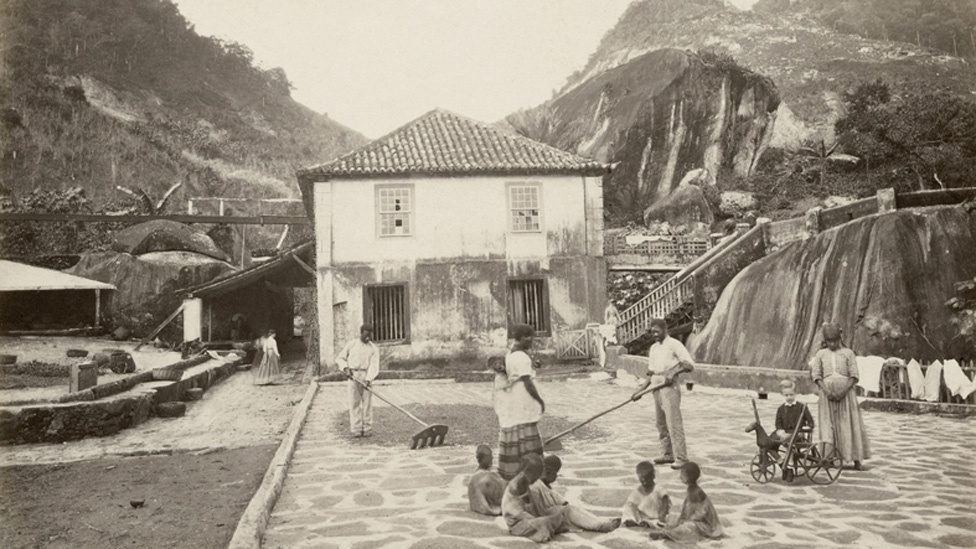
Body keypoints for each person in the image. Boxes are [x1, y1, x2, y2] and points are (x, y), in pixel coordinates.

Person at [631, 318, 695, 469]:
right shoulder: (653, 348)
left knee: (673, 423)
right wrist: (640, 391)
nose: (655, 335)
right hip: (656, 387)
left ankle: (681, 457)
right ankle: (668, 454)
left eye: (657, 332)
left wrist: (673, 372)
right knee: (661, 424)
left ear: (665, 330)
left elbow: (689, 364)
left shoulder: (674, 344)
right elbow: (651, 373)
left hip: (669, 387)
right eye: (652, 332)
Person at [809, 323, 871, 470]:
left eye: (834, 341)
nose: (832, 344)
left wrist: (843, 391)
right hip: (827, 395)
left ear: (839, 338)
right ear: (825, 341)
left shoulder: (848, 353)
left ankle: (855, 459)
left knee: (849, 423)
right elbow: (816, 376)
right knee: (828, 425)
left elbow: (854, 376)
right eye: (829, 341)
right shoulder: (820, 354)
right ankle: (829, 458)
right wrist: (827, 391)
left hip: (846, 394)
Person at [494, 324, 546, 481]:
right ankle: (531, 472)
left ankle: (512, 471)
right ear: (525, 338)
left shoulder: (510, 353)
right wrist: (539, 400)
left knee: (515, 429)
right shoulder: (522, 357)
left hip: (513, 398)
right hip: (523, 397)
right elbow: (527, 382)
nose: (533, 341)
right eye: (532, 338)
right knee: (526, 428)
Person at [528, 456, 620, 533]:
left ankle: (602, 522)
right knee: (569, 511)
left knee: (571, 508)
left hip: (549, 514)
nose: (555, 476)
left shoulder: (543, 484)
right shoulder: (535, 485)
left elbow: (561, 501)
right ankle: (600, 525)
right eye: (553, 473)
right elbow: (538, 512)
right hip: (541, 518)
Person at [501, 454, 572, 543]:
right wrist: (539, 517)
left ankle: (552, 525)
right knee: (544, 522)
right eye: (536, 475)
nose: (537, 478)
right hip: (517, 524)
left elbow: (530, 504)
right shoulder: (516, 486)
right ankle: (549, 528)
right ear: (528, 472)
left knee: (558, 512)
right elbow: (516, 513)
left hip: (528, 517)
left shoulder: (526, 481)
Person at [650, 462, 723, 542]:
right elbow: (687, 510)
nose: (680, 477)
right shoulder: (691, 489)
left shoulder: (695, 492)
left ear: (689, 477)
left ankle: (665, 534)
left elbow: (697, 513)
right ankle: (668, 529)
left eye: (682, 474)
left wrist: (684, 521)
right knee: (672, 518)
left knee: (687, 527)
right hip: (696, 520)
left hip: (706, 525)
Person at [336, 324, 380, 437]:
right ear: (361, 333)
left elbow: (374, 365)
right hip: (353, 375)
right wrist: (346, 368)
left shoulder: (373, 348)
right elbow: (340, 358)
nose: (368, 338)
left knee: (367, 404)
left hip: (366, 375)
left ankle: (367, 428)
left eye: (370, 335)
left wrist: (368, 379)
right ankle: (356, 429)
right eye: (366, 335)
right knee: (354, 403)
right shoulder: (352, 344)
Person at [621, 460, 671, 529]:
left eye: (647, 479)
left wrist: (662, 514)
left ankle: (648, 523)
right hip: (643, 517)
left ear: (653, 476)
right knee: (628, 507)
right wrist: (631, 515)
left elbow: (665, 501)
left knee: (659, 523)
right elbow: (630, 504)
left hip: (656, 517)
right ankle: (633, 521)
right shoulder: (637, 492)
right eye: (642, 480)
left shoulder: (658, 489)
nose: (645, 483)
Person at [468, 444, 506, 516]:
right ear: (482, 459)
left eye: (491, 456)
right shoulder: (482, 477)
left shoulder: (483, 473)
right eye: (488, 457)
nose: (492, 458)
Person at [596, 301, 620, 369]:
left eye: (613, 303)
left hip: (614, 320)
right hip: (610, 320)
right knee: (610, 329)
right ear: (609, 303)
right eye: (611, 303)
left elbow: (617, 315)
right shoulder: (607, 309)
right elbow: (606, 316)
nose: (612, 304)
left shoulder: (614, 309)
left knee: (614, 329)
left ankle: (614, 339)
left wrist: (620, 319)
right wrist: (606, 321)